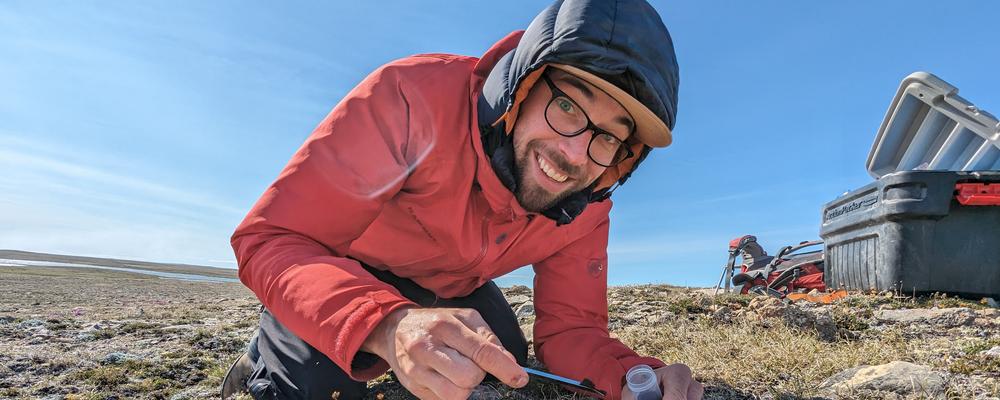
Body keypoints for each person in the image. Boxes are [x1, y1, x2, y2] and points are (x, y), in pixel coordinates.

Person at [221, 0, 702, 399]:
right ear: (523, 86)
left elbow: (573, 330)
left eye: (609, 138)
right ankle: (262, 360)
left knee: (502, 360)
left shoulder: (590, 204)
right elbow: (274, 238)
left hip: (451, 287)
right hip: (344, 269)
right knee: (317, 385)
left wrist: (633, 379)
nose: (575, 153)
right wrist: (387, 325)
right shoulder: (412, 97)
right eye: (567, 104)